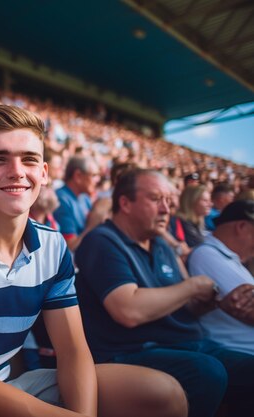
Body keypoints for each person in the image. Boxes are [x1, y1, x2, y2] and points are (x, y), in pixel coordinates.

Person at [0, 105, 187, 417]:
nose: (17, 171)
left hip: (13, 383)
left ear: (44, 172)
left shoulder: (52, 243)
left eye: (29, 159)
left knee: (165, 395)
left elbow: (74, 351)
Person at [74, 168, 254, 417]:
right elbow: (128, 310)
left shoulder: (160, 245)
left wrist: (210, 302)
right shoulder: (102, 241)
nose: (166, 209)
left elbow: (182, 305)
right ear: (125, 203)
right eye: (156, 199)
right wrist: (192, 286)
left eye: (169, 201)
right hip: (132, 350)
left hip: (186, 344)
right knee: (207, 371)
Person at [188, 199, 254, 355]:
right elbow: (250, 310)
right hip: (239, 355)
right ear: (242, 227)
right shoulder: (207, 255)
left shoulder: (228, 257)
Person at [53, 155, 109, 251]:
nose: (98, 180)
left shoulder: (84, 197)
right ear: (78, 176)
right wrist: (93, 224)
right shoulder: (61, 200)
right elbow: (70, 246)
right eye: (94, 175)